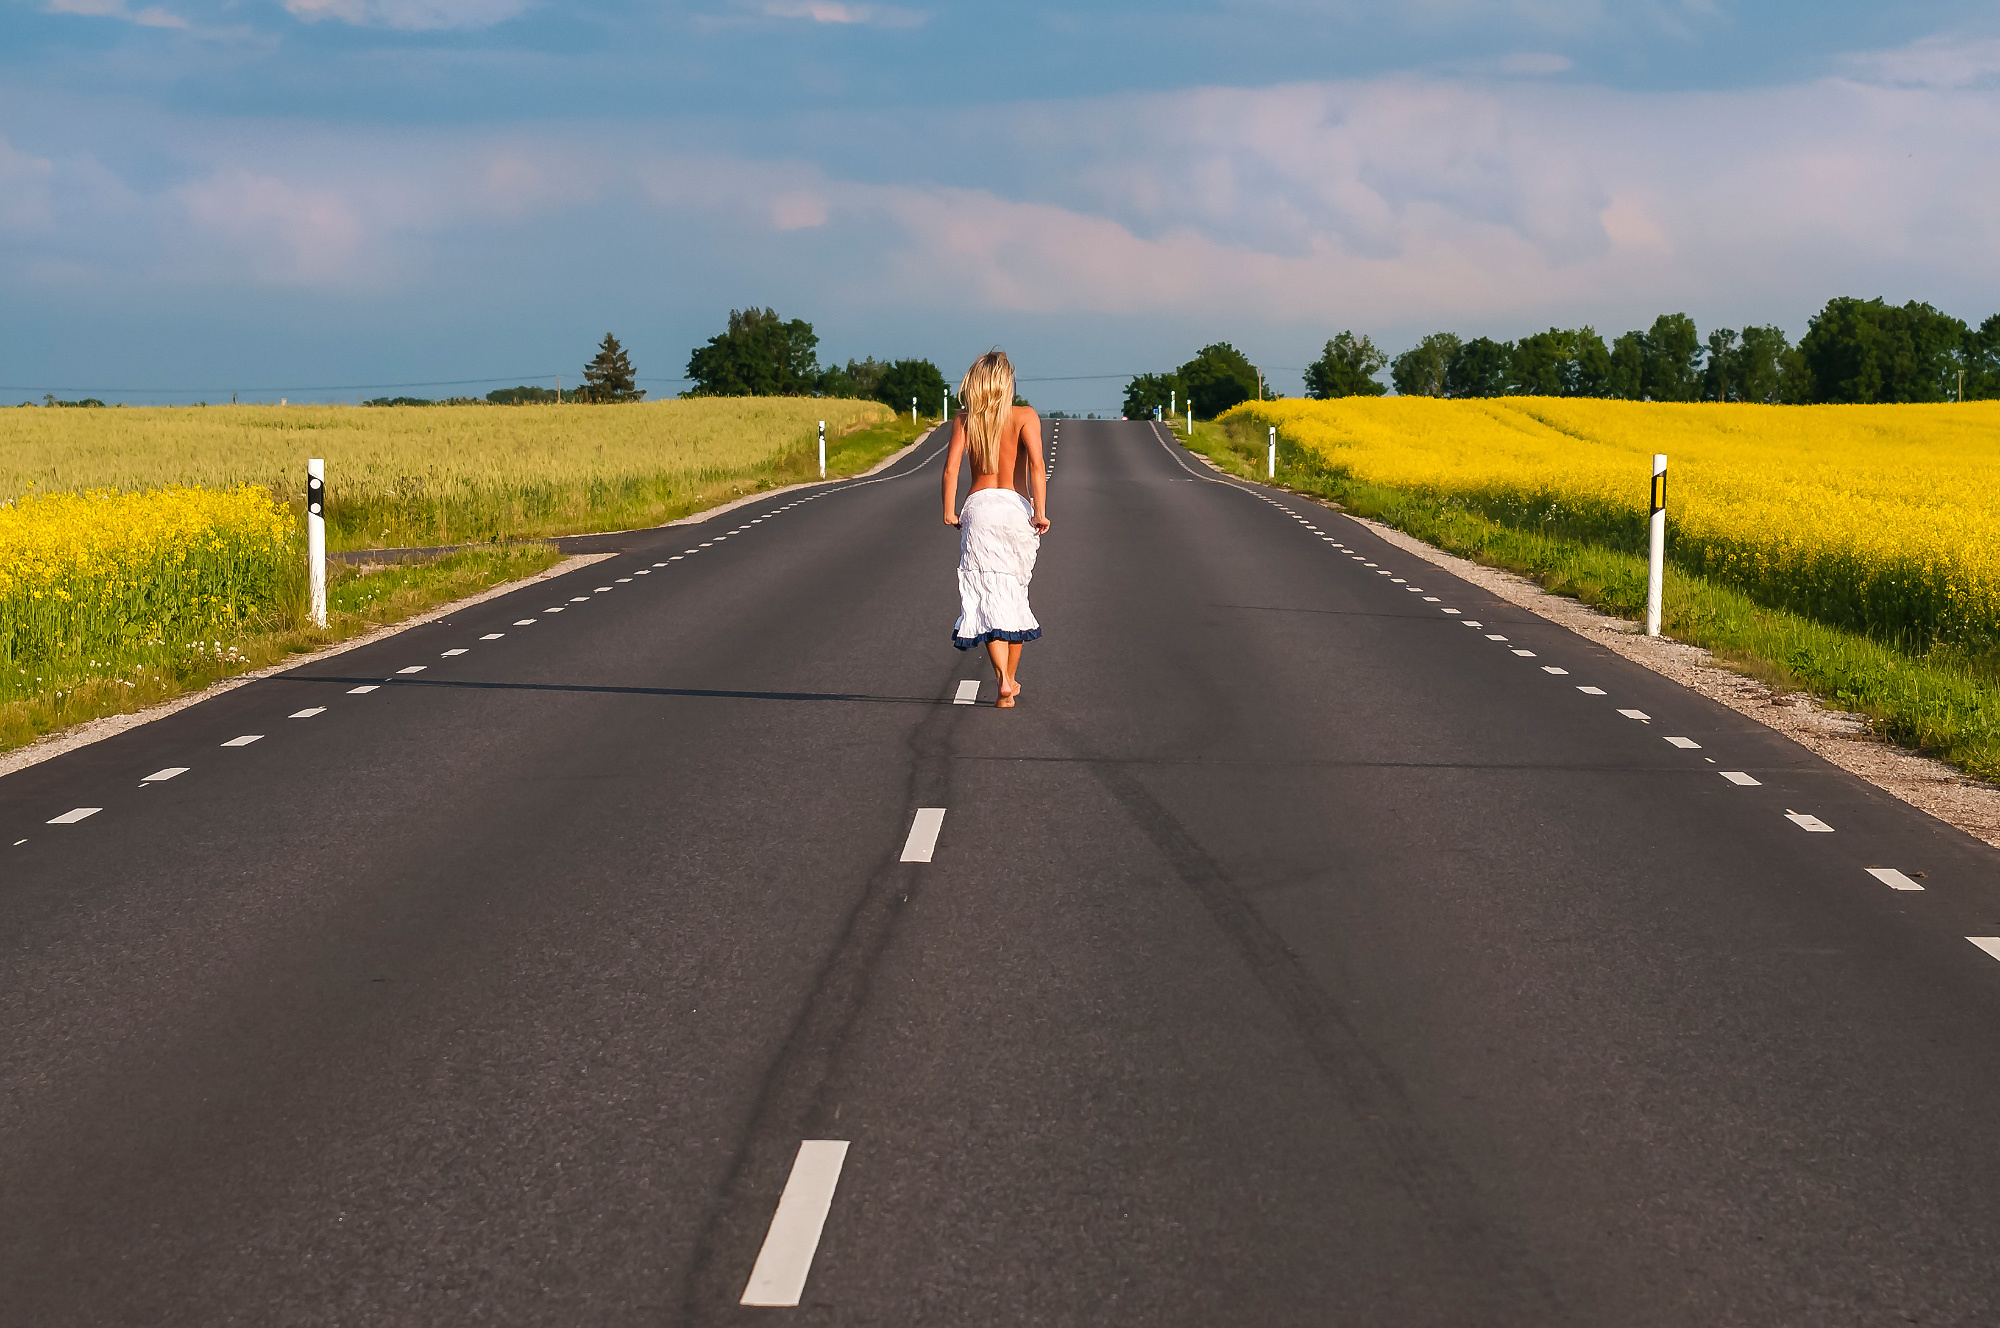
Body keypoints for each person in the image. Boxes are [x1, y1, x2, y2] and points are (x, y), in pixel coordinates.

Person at [942, 350, 1050, 709]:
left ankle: (1002, 678)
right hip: (1014, 507)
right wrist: (1040, 511)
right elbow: (1036, 465)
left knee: (988, 596)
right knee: (1014, 595)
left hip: (979, 507)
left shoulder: (965, 419)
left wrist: (949, 511)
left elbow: (951, 469)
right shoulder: (1025, 416)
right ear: (1008, 383)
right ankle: (1009, 684)